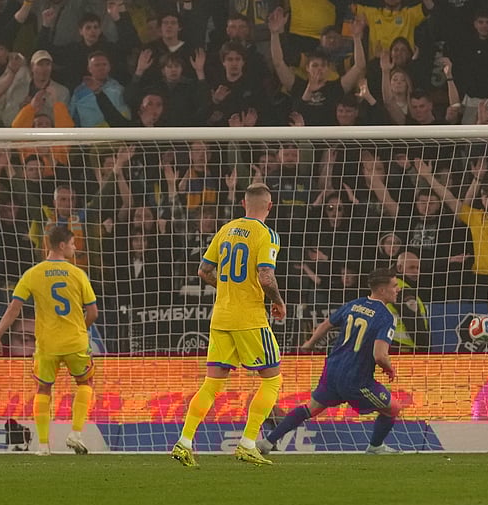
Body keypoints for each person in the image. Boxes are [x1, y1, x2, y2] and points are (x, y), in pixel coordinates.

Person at [171, 183, 284, 468]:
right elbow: (266, 277)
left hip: (221, 317)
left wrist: (226, 287)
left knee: (212, 384)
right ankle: (247, 443)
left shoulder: (226, 230)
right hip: (249, 319)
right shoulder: (266, 234)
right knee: (272, 379)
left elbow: (203, 270)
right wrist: (278, 302)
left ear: (243, 204)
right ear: (269, 206)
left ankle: (184, 442)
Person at [257, 268, 403, 455]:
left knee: (311, 408)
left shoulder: (354, 304)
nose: (397, 289)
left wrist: (309, 344)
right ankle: (375, 446)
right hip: (356, 378)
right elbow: (380, 355)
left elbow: (327, 324)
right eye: (395, 286)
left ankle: (267, 442)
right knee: (393, 408)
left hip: (332, 370)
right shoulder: (386, 317)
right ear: (382, 290)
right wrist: (389, 369)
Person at [0, 226, 98, 455]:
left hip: (47, 345)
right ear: (61, 245)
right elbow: (93, 312)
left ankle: (43, 445)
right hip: (75, 342)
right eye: (72, 243)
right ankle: (75, 434)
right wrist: (80, 329)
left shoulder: (32, 274)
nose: (75, 247)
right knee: (85, 384)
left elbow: (14, 309)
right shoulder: (78, 274)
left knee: (43, 388)